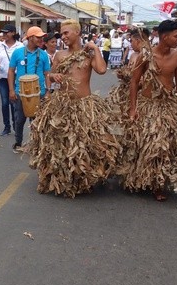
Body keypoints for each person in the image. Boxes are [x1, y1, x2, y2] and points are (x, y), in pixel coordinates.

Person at [28, 20, 118, 197]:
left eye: (67, 33)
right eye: (62, 34)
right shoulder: (60, 55)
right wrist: (55, 75)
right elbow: (50, 76)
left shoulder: (88, 55)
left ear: (77, 33)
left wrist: (96, 48)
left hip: (85, 106)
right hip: (62, 105)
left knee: (86, 145)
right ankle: (65, 180)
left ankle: (83, 179)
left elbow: (101, 69)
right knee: (62, 144)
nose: (64, 36)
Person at [126, 20, 177, 201]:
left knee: (166, 145)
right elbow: (134, 81)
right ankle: (145, 179)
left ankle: (158, 184)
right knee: (148, 145)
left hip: (168, 105)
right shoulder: (146, 55)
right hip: (148, 105)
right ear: (164, 36)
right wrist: (132, 108)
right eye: (176, 36)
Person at [8, 26, 51, 153]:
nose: (41, 39)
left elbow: (47, 73)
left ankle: (36, 144)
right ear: (30, 37)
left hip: (39, 94)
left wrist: (48, 91)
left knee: (37, 121)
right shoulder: (18, 52)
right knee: (19, 119)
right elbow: (10, 72)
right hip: (21, 93)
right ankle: (18, 142)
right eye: (38, 37)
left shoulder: (43, 55)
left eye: (41, 37)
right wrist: (11, 90)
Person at [0, 24, 23, 136]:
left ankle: (16, 125)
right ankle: (7, 127)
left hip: (16, 78)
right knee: (5, 102)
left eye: (7, 33)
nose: (4, 35)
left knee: (14, 102)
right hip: (2, 78)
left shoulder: (20, 46)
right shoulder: (0, 45)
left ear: (13, 33)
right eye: (3, 33)